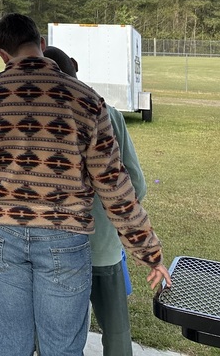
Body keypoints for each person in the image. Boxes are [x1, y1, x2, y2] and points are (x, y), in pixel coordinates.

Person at [0, 14, 170, 356]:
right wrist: (149, 252)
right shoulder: (86, 99)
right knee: (63, 348)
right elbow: (114, 183)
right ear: (40, 45)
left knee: (10, 344)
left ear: (2, 55)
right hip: (64, 236)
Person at [44, 45, 146, 356]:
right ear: (74, 65)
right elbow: (136, 185)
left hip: (54, 247)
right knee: (116, 331)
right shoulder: (108, 113)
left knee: (53, 329)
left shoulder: (40, 120)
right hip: (102, 246)